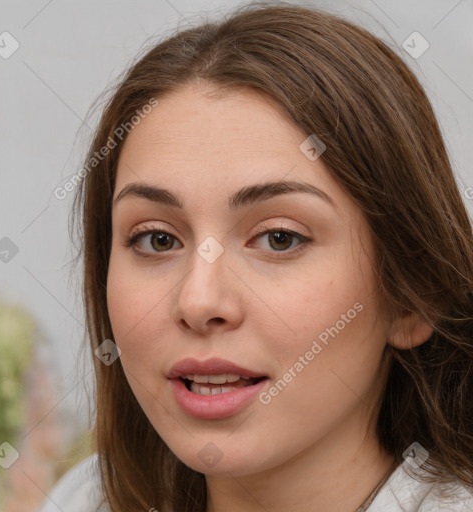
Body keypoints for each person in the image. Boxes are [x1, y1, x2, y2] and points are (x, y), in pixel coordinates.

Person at [38, 2, 473, 511]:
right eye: (157, 239)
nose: (199, 301)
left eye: (279, 239)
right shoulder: (81, 499)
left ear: (413, 297)